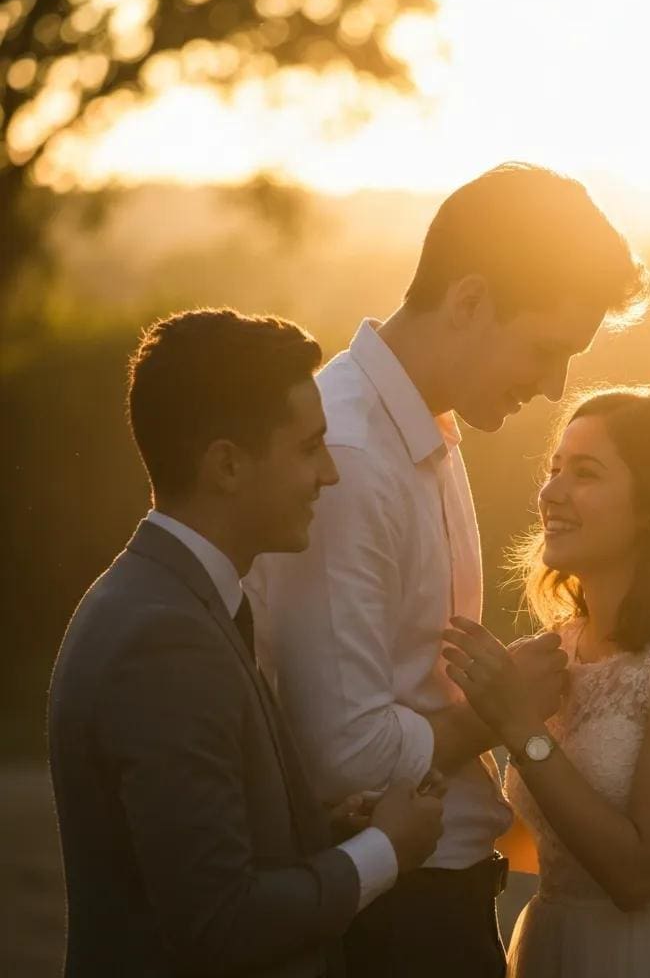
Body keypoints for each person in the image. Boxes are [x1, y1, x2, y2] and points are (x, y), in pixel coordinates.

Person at [246, 163, 650, 977]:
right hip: (394, 916)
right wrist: (499, 711)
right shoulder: (353, 456)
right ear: (468, 301)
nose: (553, 387)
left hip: (438, 899)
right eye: (545, 348)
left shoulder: (424, 430)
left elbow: (403, 679)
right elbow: (341, 753)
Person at [48, 308, 444, 978]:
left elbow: (190, 851)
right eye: (307, 447)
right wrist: (386, 849)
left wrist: (315, 827)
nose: (330, 474)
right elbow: (219, 922)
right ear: (227, 465)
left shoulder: (172, 600)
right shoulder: (163, 641)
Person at [443, 387, 650, 978]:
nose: (550, 493)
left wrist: (517, 724)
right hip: (559, 948)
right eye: (553, 470)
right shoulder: (559, 650)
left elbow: (636, 874)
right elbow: (546, 843)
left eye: (586, 473)